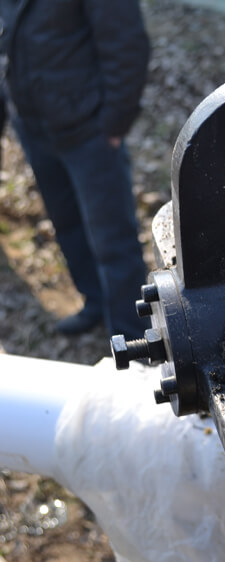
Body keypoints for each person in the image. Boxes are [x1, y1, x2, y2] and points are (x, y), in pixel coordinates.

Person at [0, 0, 150, 339]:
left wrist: (114, 123)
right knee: (66, 222)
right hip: (34, 124)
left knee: (113, 237)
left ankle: (132, 336)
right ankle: (95, 302)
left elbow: (127, 42)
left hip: (88, 130)